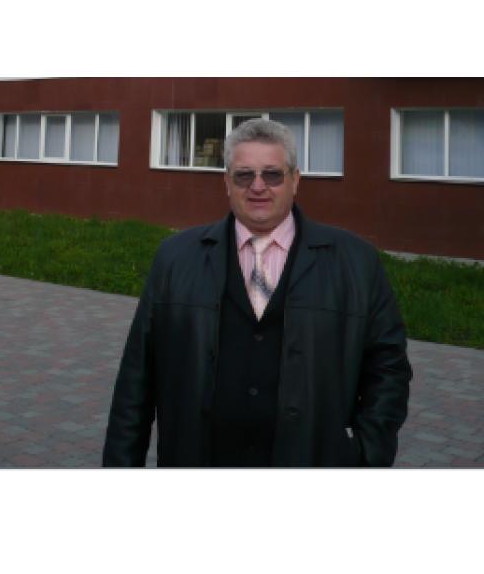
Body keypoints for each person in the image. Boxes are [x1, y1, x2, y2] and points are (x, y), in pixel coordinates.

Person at [103, 118, 412, 467]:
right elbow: (137, 378)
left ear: (295, 180)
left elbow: (388, 368)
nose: (258, 186)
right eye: (244, 175)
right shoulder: (175, 258)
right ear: (226, 182)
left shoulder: (355, 262)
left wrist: (365, 454)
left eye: (273, 175)